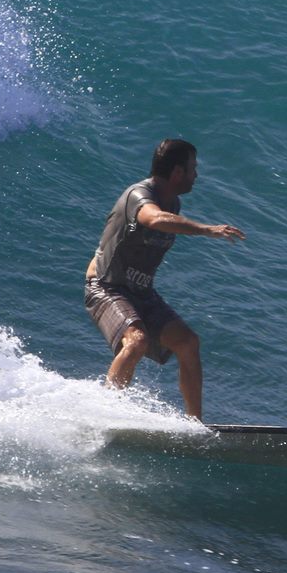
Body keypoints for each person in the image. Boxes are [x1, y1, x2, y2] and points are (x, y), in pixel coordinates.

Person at [84, 139, 244, 419]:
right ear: (178, 172)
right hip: (107, 287)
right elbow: (154, 219)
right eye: (193, 168)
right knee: (136, 341)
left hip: (141, 292)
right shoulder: (139, 194)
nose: (197, 175)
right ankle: (103, 414)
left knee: (188, 343)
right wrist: (207, 230)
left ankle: (195, 426)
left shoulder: (174, 202)